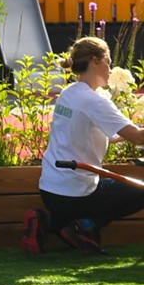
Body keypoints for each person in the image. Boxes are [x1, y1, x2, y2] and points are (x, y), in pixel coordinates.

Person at [25, 36, 144, 255]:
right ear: (95, 61)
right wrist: (135, 132)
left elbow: (103, 133)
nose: (110, 69)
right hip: (77, 192)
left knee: (70, 217)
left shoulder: (68, 93)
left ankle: (45, 221)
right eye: (108, 62)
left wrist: (129, 132)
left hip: (50, 190)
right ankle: (84, 227)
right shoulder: (95, 101)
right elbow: (137, 138)